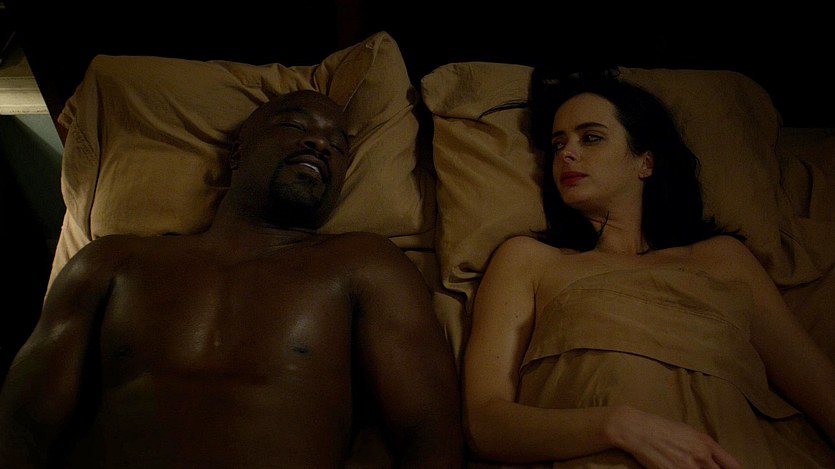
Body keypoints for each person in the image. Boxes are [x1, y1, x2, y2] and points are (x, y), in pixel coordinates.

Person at [0, 90, 464, 468]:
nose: (320, 144)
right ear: (239, 150)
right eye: (296, 125)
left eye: (338, 146)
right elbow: (20, 425)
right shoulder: (112, 260)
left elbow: (429, 432)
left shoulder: (364, 263)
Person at [462, 70, 835, 469]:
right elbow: (486, 424)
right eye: (557, 144)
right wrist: (619, 425)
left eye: (591, 138)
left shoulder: (722, 258)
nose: (566, 154)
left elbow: (821, 392)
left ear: (646, 162)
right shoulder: (528, 260)